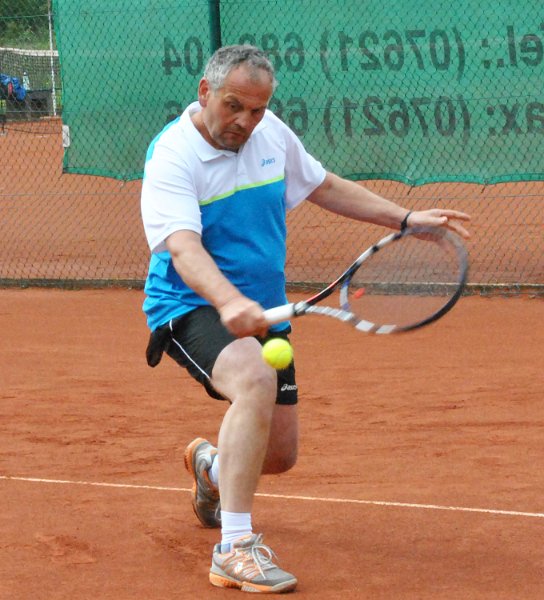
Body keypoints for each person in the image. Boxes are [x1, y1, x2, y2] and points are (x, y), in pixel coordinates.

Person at [141, 44, 470, 594]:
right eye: (233, 105)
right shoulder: (173, 155)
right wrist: (228, 301)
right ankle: (234, 548)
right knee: (254, 378)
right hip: (189, 303)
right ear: (205, 92)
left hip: (264, 308)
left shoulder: (270, 134)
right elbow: (183, 248)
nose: (245, 121)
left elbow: (322, 185)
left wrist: (405, 217)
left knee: (278, 455)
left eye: (257, 109)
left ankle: (212, 469)